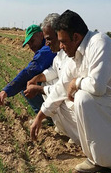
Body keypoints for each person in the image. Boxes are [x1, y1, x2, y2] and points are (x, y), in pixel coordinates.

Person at [30, 10, 111, 173]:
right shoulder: (74, 56)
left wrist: (77, 82)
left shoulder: (99, 43)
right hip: (109, 110)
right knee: (63, 102)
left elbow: (97, 87)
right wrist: (39, 117)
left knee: (83, 98)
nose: (60, 46)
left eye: (63, 41)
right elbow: (60, 88)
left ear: (76, 37)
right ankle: (98, 154)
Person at [24, 13, 79, 144]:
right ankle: (64, 127)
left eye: (49, 39)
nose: (47, 44)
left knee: (58, 96)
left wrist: (38, 89)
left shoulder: (71, 53)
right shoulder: (59, 55)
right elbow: (54, 70)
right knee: (48, 82)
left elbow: (61, 89)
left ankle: (77, 134)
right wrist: (37, 78)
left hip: (78, 105)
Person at [0, 24, 56, 113]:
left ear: (41, 35)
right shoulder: (44, 47)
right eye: (29, 44)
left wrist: (5, 91)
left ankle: (46, 114)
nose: (31, 46)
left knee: (27, 85)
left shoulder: (46, 50)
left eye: (32, 41)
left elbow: (28, 72)